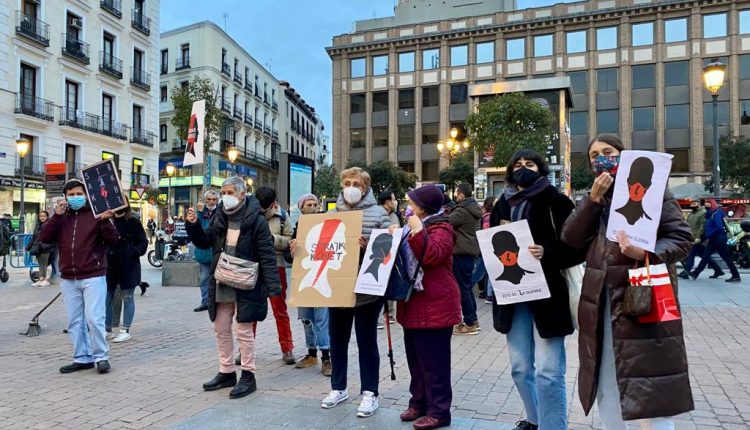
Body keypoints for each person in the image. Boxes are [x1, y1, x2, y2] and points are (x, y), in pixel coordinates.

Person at [561, 135, 694, 430]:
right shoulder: (595, 198)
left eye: (608, 152)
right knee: (606, 385)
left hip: (642, 297)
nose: (601, 159)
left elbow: (682, 238)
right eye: (594, 156)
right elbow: (570, 239)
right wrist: (592, 200)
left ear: (625, 155)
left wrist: (647, 253)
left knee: (650, 390)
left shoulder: (656, 191)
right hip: (601, 302)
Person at [489, 149, 584, 430]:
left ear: (541, 169)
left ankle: (553, 426)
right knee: (519, 369)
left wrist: (548, 252)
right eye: (517, 164)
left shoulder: (557, 201)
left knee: (549, 371)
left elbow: (578, 246)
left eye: (529, 164)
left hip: (548, 297)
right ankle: (534, 419)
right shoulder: (501, 204)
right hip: (513, 295)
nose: (523, 168)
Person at [185, 177, 281, 399]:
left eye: (229, 192)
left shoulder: (256, 220)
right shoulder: (220, 215)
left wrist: (272, 287)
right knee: (221, 327)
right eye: (223, 192)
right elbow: (205, 241)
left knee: (244, 331)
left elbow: (266, 254)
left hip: (248, 282)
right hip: (223, 278)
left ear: (241, 193)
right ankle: (226, 371)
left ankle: (248, 375)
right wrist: (193, 225)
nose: (225, 196)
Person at [314, 167, 391, 417]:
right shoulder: (331, 214)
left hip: (368, 288)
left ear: (365, 188)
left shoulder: (380, 214)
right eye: (347, 182)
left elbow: (391, 248)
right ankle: (339, 387)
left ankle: (370, 391)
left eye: (356, 183)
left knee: (366, 340)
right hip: (338, 286)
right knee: (338, 340)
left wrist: (369, 246)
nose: (350, 187)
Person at [393, 184, 461, 430]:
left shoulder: (442, 228)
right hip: (413, 304)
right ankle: (418, 403)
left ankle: (440, 412)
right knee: (416, 360)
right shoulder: (409, 228)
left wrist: (417, 231)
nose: (406, 207)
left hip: (436, 305)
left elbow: (431, 255)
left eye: (410, 203)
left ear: (421, 208)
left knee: (435, 364)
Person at [40, 179, 119, 374]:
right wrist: (56, 217)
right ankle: (82, 357)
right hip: (69, 277)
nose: (75, 197)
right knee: (74, 321)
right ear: (65, 197)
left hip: (93, 274)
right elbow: (45, 238)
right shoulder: (62, 217)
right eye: (71, 194)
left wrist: (106, 221)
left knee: (94, 318)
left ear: (86, 195)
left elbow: (113, 240)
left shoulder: (96, 215)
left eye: (78, 194)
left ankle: (101, 356)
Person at [288, 193, 332, 377]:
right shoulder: (298, 228)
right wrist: (291, 250)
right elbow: (288, 256)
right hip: (304, 279)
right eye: (309, 204)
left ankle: (327, 357)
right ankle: (311, 353)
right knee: (306, 318)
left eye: (315, 204)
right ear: (301, 208)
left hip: (322, 277)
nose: (313, 207)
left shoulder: (326, 226)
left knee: (322, 317)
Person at [255, 186, 296, 365]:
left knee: (280, 310)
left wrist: (272, 239)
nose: (262, 208)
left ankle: (287, 348)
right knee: (251, 310)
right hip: (254, 266)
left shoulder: (282, 215)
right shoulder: (250, 212)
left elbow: (289, 240)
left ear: (273, 203)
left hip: (276, 265)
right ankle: (245, 349)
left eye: (266, 205)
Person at [105, 201, 148, 343]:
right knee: (107, 297)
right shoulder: (107, 220)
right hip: (109, 264)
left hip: (128, 264)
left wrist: (134, 252)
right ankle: (107, 328)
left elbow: (143, 241)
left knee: (128, 297)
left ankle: (125, 329)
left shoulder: (134, 222)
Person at [449, 183, 482, 335]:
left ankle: (469, 324)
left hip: (461, 252)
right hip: (470, 251)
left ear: (462, 195)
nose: (456, 196)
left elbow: (446, 222)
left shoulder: (462, 210)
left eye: (457, 194)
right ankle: (473, 319)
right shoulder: (473, 208)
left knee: (462, 288)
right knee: (467, 287)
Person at [690, 199, 742, 282]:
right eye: (706, 205)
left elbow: (719, 227)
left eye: (709, 205)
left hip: (719, 239)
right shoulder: (710, 214)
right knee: (706, 256)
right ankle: (696, 273)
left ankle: (736, 276)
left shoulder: (716, 214)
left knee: (725, 258)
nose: (707, 206)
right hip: (714, 239)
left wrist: (709, 235)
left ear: (713, 205)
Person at [678, 198, 722, 279]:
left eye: (694, 203)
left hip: (700, 238)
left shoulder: (703, 213)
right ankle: (718, 270)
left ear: (699, 204)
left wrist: (699, 237)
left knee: (691, 253)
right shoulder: (691, 214)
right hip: (692, 237)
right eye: (691, 204)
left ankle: (686, 272)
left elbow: (703, 226)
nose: (692, 205)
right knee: (703, 255)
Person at [377, 190, 401, 328]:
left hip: (392, 254)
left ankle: (389, 314)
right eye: (393, 199)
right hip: (381, 254)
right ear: (387, 202)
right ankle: (379, 317)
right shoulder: (379, 215)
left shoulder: (394, 216)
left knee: (390, 284)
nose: (395, 201)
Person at [193, 190, 220, 312]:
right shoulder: (200, 212)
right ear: (205, 200)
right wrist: (199, 212)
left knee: (218, 279)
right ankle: (205, 302)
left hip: (217, 253)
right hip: (203, 253)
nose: (211, 202)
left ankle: (217, 302)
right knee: (204, 279)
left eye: (214, 199)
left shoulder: (221, 212)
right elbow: (196, 228)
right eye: (208, 199)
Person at [475, 196, 497, 304]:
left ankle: (487, 294)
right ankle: (489, 295)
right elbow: (488, 233)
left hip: (485, 248)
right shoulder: (489, 217)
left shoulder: (486, 215)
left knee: (486, 272)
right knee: (486, 272)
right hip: (488, 248)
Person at [26, 211, 55, 287]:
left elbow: (52, 237)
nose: (42, 218)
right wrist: (29, 246)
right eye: (41, 216)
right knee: (40, 264)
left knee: (46, 264)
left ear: (47, 217)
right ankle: (41, 279)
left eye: (44, 216)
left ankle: (47, 280)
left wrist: (44, 245)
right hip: (38, 248)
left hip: (46, 248)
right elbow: (34, 237)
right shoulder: (38, 225)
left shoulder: (49, 225)